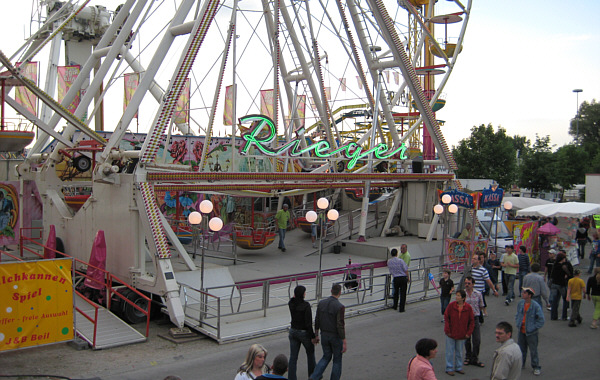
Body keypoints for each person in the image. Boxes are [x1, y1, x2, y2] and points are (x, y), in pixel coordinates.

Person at [309, 284, 346, 380]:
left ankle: (314, 376)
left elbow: (317, 319)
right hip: (335, 336)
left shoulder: (321, 303)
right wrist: (344, 340)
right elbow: (340, 325)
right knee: (337, 360)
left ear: (331, 290)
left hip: (324, 334)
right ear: (340, 293)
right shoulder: (340, 307)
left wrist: (316, 334)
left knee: (326, 356)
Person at [287, 286, 316, 380]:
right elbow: (308, 323)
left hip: (293, 331)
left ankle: (291, 378)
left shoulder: (291, 304)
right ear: (302, 294)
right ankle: (312, 375)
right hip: (303, 332)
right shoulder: (306, 305)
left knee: (293, 357)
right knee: (310, 353)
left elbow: (292, 299)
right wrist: (313, 336)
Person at [515, 287, 545, 376]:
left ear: (529, 295)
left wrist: (533, 327)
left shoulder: (535, 306)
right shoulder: (521, 303)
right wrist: (517, 322)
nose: (522, 294)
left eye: (524, 293)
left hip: (531, 333)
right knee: (521, 349)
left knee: (533, 350)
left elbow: (541, 320)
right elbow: (518, 314)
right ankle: (521, 363)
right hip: (521, 330)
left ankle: (536, 367)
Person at [443, 289, 474, 376]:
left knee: (459, 351)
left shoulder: (468, 308)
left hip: (462, 333)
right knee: (449, 351)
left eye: (458, 296)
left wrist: (469, 332)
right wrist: (447, 330)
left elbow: (471, 321)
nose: (456, 297)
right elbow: (446, 318)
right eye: (456, 295)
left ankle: (458, 367)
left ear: (463, 298)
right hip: (451, 332)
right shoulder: (451, 306)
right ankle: (449, 367)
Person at [462, 276, 485, 368]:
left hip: (475, 318)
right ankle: (468, 356)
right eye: (466, 283)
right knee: (467, 339)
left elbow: (481, 305)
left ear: (473, 284)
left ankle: (475, 357)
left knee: (477, 339)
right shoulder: (463, 294)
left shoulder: (478, 294)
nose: (467, 285)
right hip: (465, 318)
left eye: (469, 283)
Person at [471, 252, 499, 317]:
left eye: (474, 259)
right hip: (471, 291)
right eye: (472, 258)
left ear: (478, 260)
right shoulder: (470, 269)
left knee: (478, 306)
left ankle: (479, 318)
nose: (473, 260)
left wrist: (494, 290)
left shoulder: (483, 270)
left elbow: (489, 281)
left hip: (479, 291)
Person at [550, 252, 573, 321]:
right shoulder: (563, 266)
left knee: (555, 301)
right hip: (562, 284)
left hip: (554, 284)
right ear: (562, 259)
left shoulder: (555, 265)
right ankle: (564, 316)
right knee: (565, 299)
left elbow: (552, 275)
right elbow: (569, 274)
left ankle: (554, 316)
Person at [388, 247, 410, 312]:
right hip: (402, 278)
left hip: (395, 278)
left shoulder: (389, 261)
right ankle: (401, 308)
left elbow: (390, 270)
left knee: (396, 292)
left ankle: (395, 305)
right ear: (397, 254)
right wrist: (408, 277)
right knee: (403, 294)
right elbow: (405, 269)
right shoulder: (400, 261)